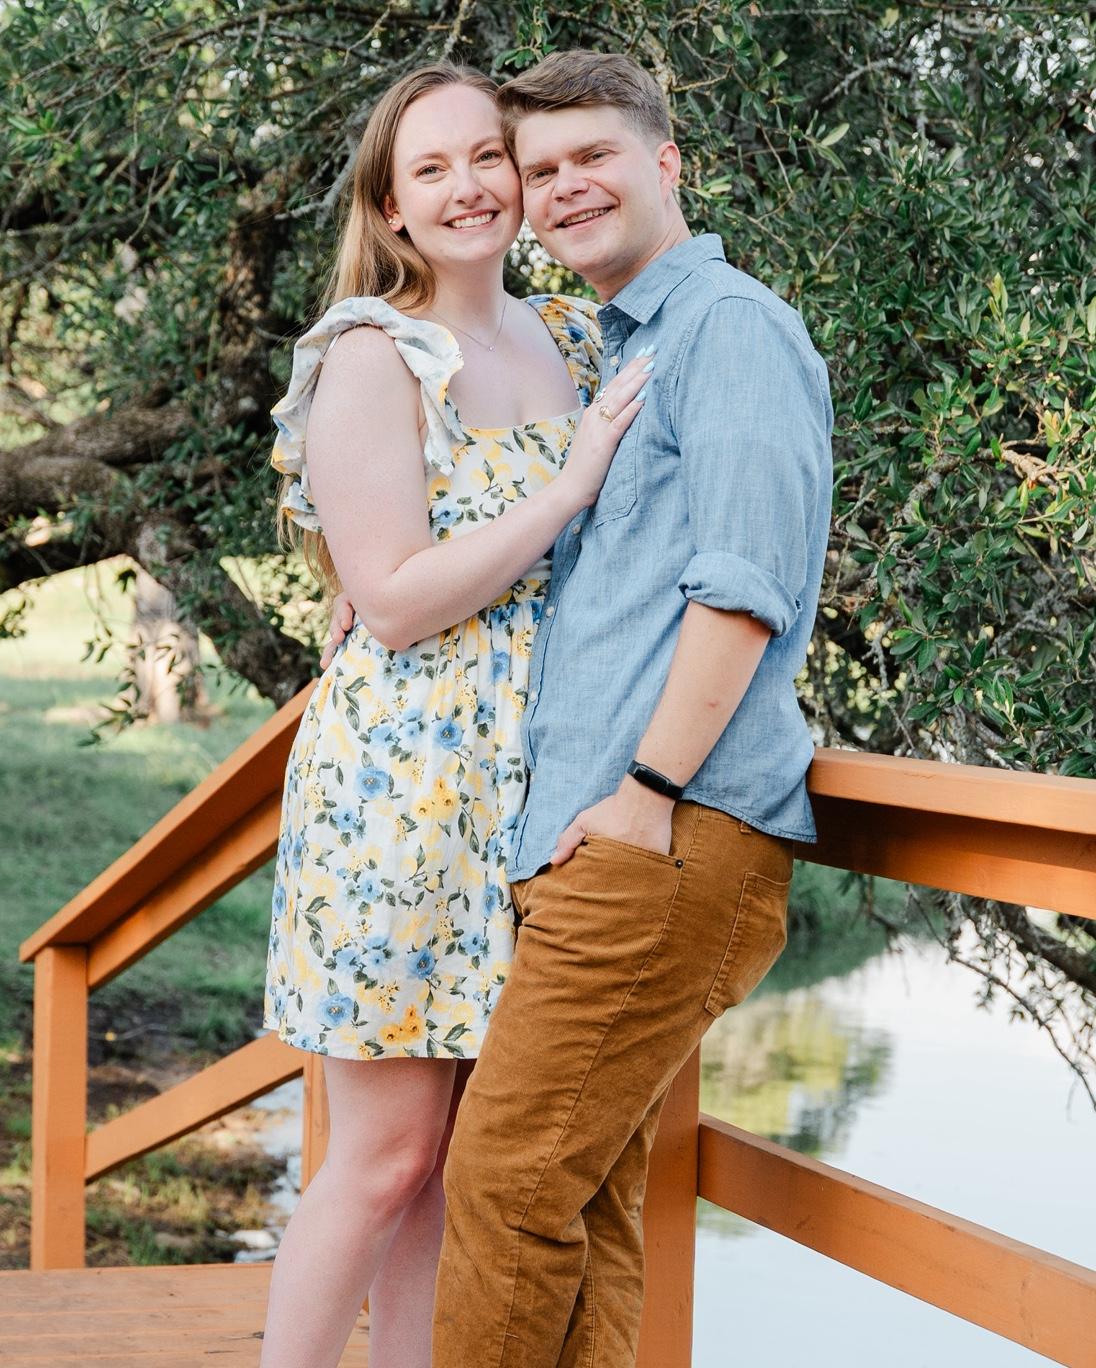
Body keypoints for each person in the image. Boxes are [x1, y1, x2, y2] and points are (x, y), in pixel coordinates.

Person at [425, 51, 835, 1368]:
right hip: (596, 837)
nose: (562, 188)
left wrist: (645, 795)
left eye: (591, 156)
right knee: (580, 1202)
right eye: (540, 169)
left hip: (667, 827)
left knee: (503, 1184)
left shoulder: (729, 329)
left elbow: (744, 588)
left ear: (666, 163)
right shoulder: (620, 347)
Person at [259, 63, 652, 1368]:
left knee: (461, 1159)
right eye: (431, 169)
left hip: (528, 792)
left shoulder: (572, 337)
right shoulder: (376, 354)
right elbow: (388, 601)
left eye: (489, 157)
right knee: (385, 1156)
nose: (470, 187)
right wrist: (567, 485)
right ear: (391, 207)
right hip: (403, 787)